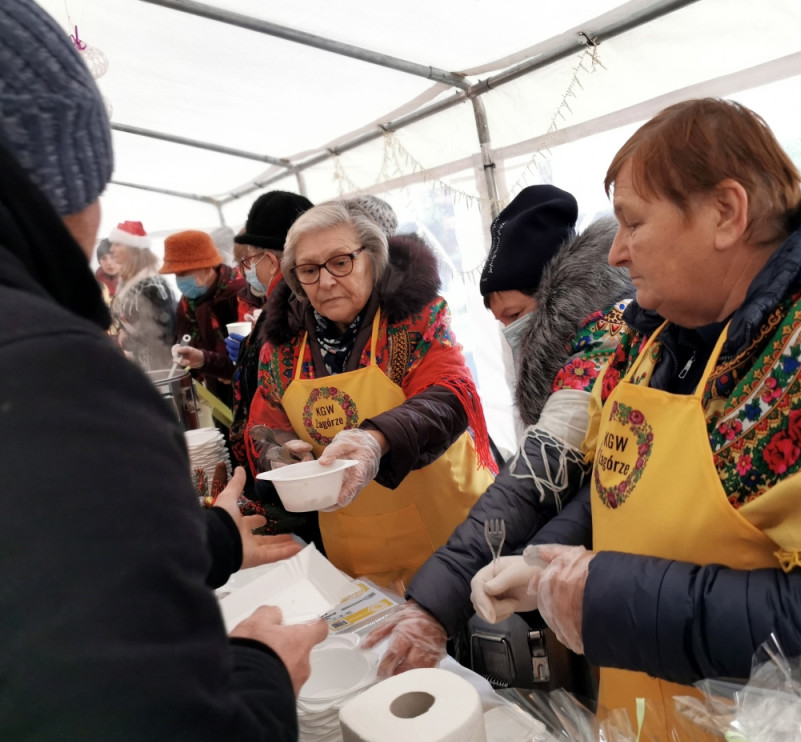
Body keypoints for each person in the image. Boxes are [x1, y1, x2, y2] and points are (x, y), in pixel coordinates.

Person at [472, 98, 801, 742]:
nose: (617, 251)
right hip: (649, 725)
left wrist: (611, 600)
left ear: (726, 213)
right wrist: (546, 566)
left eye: (634, 222)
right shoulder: (662, 330)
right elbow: (623, 482)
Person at [0, 2, 326, 742]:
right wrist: (263, 668)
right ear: (55, 177)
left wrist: (211, 541)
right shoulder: (36, 372)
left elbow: (0, 570)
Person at [366, 185, 633, 677]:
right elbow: (587, 491)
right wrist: (535, 560)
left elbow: (540, 476)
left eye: (513, 316)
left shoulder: (607, 339)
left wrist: (435, 602)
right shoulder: (577, 339)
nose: (507, 332)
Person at [245, 199, 498, 589]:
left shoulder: (414, 321)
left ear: (373, 258)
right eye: (310, 270)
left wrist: (375, 439)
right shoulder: (282, 349)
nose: (326, 281)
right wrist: (279, 454)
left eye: (341, 262)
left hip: (450, 531)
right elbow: (264, 425)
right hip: (355, 546)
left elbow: (448, 394)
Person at [228, 191, 314, 472]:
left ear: (271, 260)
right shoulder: (283, 308)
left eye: (249, 261)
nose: (248, 270)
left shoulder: (288, 312)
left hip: (300, 469)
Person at [164, 229, 246, 410]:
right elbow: (185, 337)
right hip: (215, 386)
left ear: (208, 267)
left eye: (184, 273)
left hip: (245, 389)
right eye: (176, 274)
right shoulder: (187, 303)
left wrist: (226, 369)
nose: (180, 280)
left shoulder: (238, 293)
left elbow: (246, 352)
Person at [109, 219, 178, 372]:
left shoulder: (153, 285)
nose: (112, 249)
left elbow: (166, 329)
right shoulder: (129, 284)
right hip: (143, 361)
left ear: (134, 249)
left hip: (161, 364)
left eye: (118, 244)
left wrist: (128, 341)